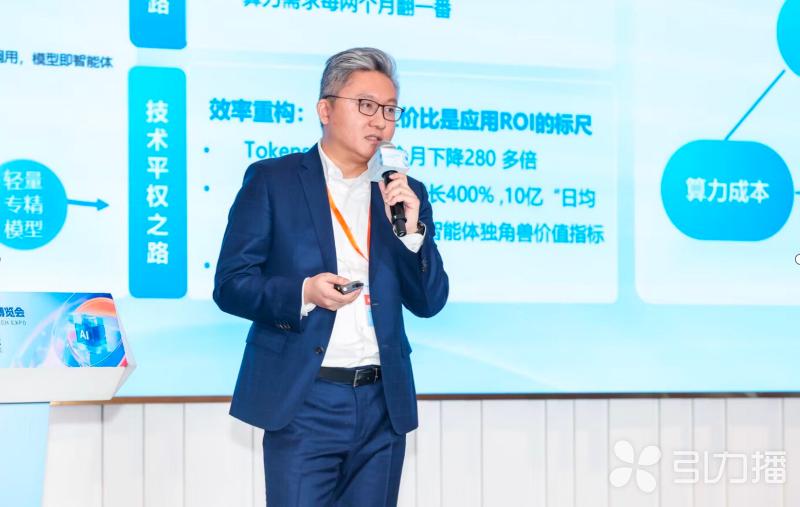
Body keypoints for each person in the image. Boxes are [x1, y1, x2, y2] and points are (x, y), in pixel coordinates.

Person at [213, 47, 449, 506]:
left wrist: (412, 234)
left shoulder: (404, 194)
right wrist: (303, 292)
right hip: (306, 399)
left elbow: (429, 301)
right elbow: (231, 284)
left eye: (390, 110)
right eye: (366, 106)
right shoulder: (273, 181)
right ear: (325, 109)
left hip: (383, 403)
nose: (380, 122)